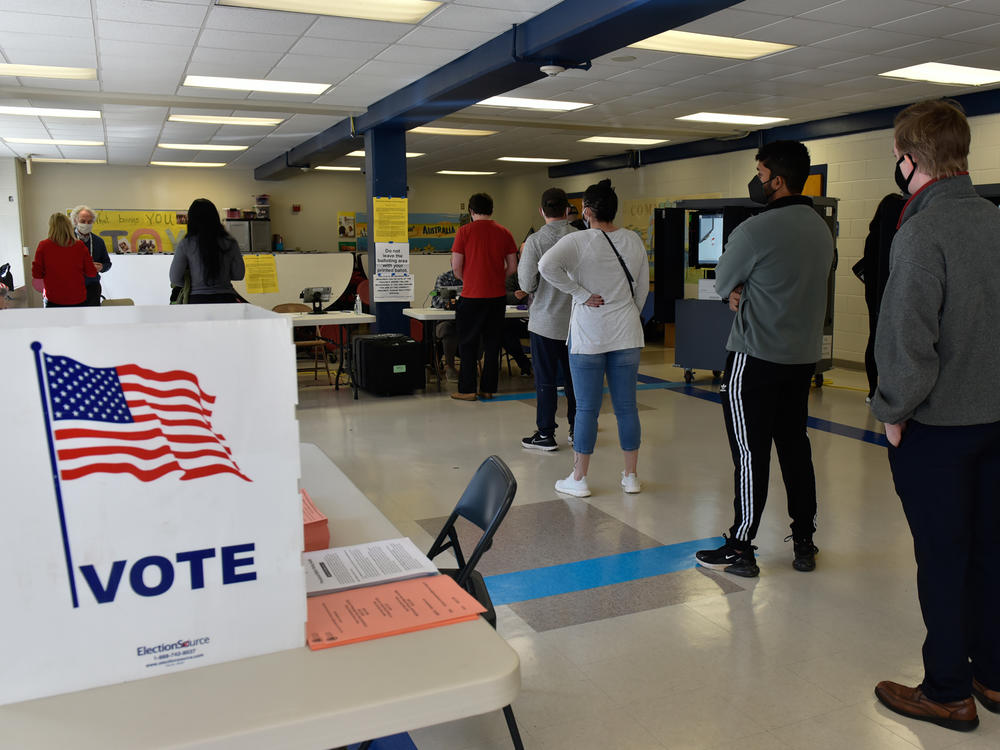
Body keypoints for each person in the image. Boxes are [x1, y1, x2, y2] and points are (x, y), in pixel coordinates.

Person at [870, 99, 1000, 733]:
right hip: (998, 422)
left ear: (909, 159)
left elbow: (906, 337)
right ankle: (993, 673)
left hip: (940, 430)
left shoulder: (921, 231)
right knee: (991, 551)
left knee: (943, 557)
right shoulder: (995, 220)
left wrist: (894, 410)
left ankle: (948, 690)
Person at [694, 140, 834, 578]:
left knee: (750, 454)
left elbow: (722, 283)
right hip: (800, 360)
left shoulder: (755, 230)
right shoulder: (820, 229)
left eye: (760, 172)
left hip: (754, 358)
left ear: (778, 178)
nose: (757, 180)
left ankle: (741, 545)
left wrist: (739, 291)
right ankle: (805, 541)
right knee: (795, 447)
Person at [539, 179, 649, 496]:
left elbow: (547, 266)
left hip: (589, 336)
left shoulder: (581, 240)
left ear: (587, 211)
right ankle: (631, 477)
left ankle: (579, 478)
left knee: (586, 409)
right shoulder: (633, 240)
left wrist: (581, 294)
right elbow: (641, 290)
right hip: (627, 334)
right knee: (627, 407)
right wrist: (627, 312)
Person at [518, 187, 578, 451]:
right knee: (576, 380)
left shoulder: (535, 242)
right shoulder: (582, 238)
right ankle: (578, 430)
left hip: (544, 322)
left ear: (541, 211)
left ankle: (546, 433)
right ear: (567, 210)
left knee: (546, 381)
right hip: (577, 323)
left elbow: (526, 283)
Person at [450, 193, 518, 401]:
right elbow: (513, 266)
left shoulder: (464, 232)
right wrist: (497, 278)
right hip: (497, 297)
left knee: (468, 343)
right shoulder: (504, 232)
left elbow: (456, 267)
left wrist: (469, 279)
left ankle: (467, 390)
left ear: (470, 211)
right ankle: (488, 389)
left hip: (471, 297)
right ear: (492, 210)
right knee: (492, 344)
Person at [857, 193, 906, 402]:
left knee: (875, 338)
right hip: (884, 296)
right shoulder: (893, 237)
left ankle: (873, 390)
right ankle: (879, 390)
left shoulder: (872, 236)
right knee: (882, 341)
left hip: (874, 297)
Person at [169, 198, 245, 304]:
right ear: (215, 218)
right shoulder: (230, 242)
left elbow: (175, 278)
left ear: (191, 220)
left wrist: (192, 283)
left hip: (197, 301)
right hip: (226, 300)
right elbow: (239, 275)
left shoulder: (186, 244)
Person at [32, 212, 97, 307]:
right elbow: (91, 272)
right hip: (78, 299)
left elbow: (37, 274)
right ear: (69, 227)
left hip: (54, 299)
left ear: (51, 227)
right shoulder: (79, 246)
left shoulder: (44, 246)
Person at [70, 205, 112, 307]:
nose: (86, 224)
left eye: (89, 222)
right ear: (75, 221)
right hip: (71, 287)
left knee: (93, 318)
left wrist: (101, 267)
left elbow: (107, 263)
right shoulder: (67, 240)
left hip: (93, 287)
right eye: (83, 221)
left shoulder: (98, 241)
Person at [502, 261, 533, 378]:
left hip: (541, 320)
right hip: (519, 320)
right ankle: (524, 364)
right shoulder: (513, 274)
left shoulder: (545, 270)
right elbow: (505, 295)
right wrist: (515, 296)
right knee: (503, 329)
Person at [431, 268, 461, 381]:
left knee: (478, 326)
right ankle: (450, 366)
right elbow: (435, 301)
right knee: (448, 328)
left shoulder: (472, 276)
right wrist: (454, 303)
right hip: (444, 321)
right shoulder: (443, 278)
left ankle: (471, 362)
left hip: (464, 320)